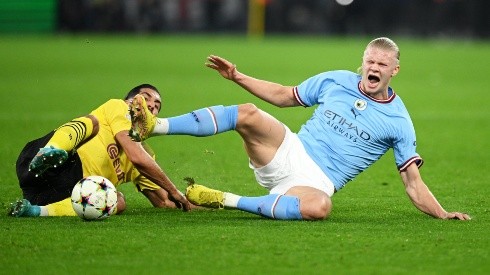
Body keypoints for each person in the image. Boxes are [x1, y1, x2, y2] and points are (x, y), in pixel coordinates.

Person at [128, 37, 470, 221]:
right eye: (370, 61)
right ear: (362, 62)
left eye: (382, 64)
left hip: (315, 183)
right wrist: (237, 76)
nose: (374, 67)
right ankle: (155, 125)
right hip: (288, 151)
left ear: (394, 70)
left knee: (320, 208)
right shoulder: (335, 80)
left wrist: (442, 213)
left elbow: (413, 182)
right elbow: (282, 96)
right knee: (247, 113)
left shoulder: (399, 121)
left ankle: (223, 199)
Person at [9, 84, 192, 217]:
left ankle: (35, 211)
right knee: (93, 123)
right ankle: (50, 151)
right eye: (146, 97)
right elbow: (136, 158)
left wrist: (216, 203)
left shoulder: (145, 154)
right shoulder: (118, 107)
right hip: (47, 163)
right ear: (129, 100)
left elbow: (164, 202)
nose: (151, 105)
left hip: (57, 194)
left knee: (118, 201)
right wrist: (175, 190)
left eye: (157, 106)